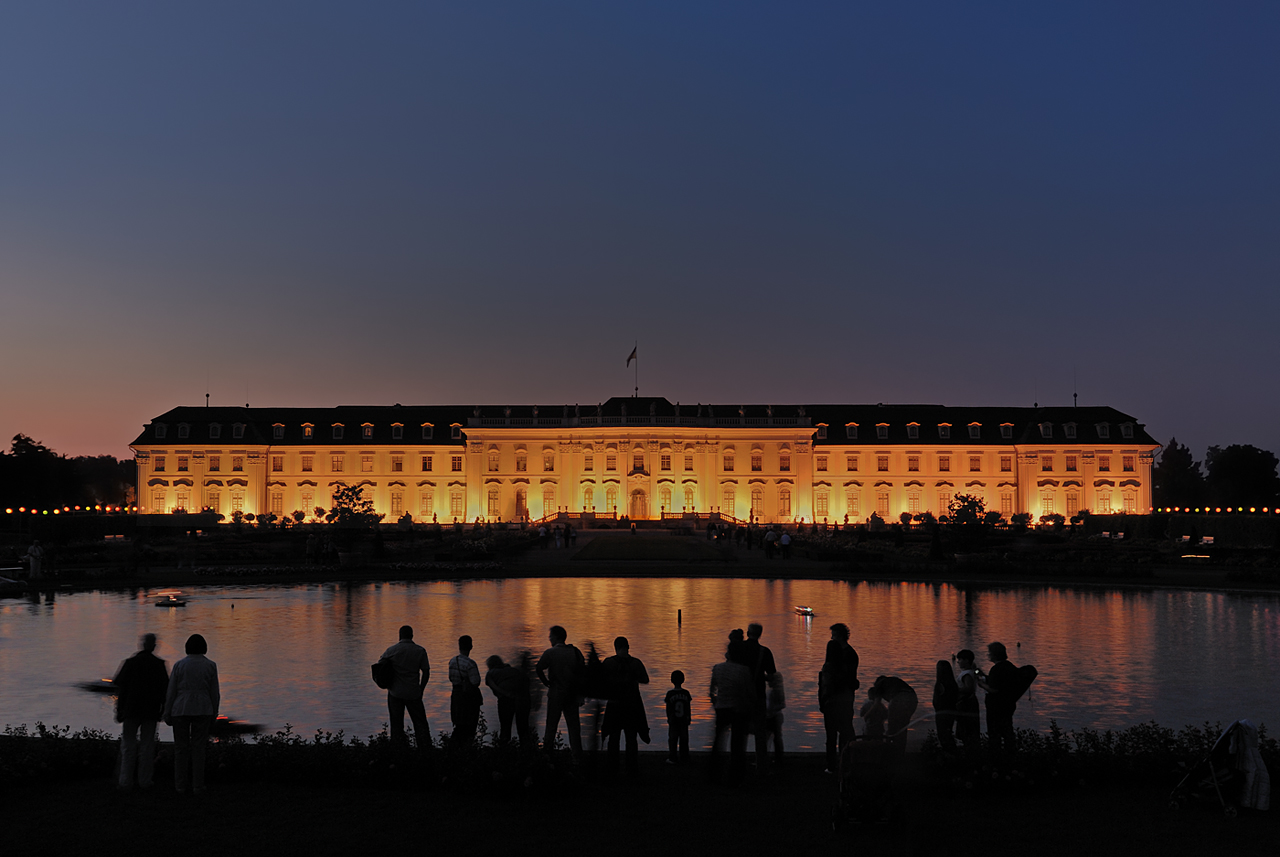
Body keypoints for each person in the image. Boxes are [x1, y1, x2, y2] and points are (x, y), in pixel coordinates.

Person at [162, 634, 219, 795]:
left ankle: (180, 785)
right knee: (199, 749)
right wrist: (214, 712)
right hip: (203, 708)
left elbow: (171, 691)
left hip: (181, 708)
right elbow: (214, 692)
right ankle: (197, 785)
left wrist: (167, 711)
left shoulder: (179, 665)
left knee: (181, 748)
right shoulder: (210, 666)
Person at [113, 633, 169, 790]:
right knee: (147, 746)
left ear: (141, 645)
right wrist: (163, 709)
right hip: (151, 711)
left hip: (131, 710)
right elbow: (165, 691)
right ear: (154, 646)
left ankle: (125, 781)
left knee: (128, 746)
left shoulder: (130, 663)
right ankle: (145, 780)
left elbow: (121, 688)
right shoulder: (159, 665)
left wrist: (119, 709)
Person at [600, 636, 650, 776]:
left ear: (615, 647)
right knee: (631, 738)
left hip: (615, 705)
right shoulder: (636, 663)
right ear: (628, 647)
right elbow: (645, 680)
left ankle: (612, 767)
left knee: (613, 737)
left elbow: (600, 681)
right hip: (632, 704)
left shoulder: (609, 663)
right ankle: (631, 768)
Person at [536, 625, 585, 759]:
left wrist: (545, 682)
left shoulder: (550, 653)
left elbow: (539, 668)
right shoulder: (575, 652)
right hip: (572, 695)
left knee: (551, 725)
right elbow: (582, 675)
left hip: (556, 694)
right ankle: (577, 756)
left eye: (550, 636)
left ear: (556, 637)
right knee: (574, 728)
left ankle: (547, 754)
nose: (549, 638)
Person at [709, 634, 753, 782]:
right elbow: (749, 692)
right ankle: (736, 774)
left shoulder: (717, 668)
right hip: (738, 710)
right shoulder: (744, 670)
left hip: (722, 708)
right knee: (737, 744)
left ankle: (714, 771)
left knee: (718, 740)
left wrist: (716, 703)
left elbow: (712, 690)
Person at [381, 625, 431, 748]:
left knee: (396, 724)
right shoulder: (420, 651)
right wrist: (421, 689)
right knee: (420, 723)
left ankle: (398, 749)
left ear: (400, 636)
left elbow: (379, 667)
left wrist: (386, 683)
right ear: (412, 635)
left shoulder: (391, 651)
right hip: (413, 692)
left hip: (395, 693)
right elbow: (426, 672)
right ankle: (425, 749)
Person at [819, 622, 859, 773]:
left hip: (839, 699)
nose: (831, 638)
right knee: (844, 731)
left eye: (834, 635)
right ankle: (843, 762)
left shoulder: (846, 655)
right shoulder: (848, 654)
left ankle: (837, 763)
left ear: (840, 636)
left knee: (837, 733)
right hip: (845, 698)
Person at [743, 622, 777, 771]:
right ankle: (761, 763)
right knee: (760, 732)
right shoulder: (765, 652)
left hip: (741, 695)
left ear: (747, 632)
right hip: (758, 695)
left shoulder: (739, 649)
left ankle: (738, 761)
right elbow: (771, 676)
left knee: (740, 730)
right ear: (760, 634)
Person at [978, 641, 1018, 764]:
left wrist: (982, 685)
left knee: (994, 733)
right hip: (1008, 705)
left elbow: (994, 689)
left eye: (989, 653)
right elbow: (1001, 683)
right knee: (1007, 731)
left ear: (994, 655)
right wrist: (984, 675)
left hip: (996, 707)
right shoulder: (1010, 666)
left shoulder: (996, 669)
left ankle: (995, 760)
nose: (988, 655)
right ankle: (1010, 757)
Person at [485, 655, 533, 748]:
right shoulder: (514, 670)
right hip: (523, 699)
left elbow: (495, 687)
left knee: (505, 728)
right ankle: (527, 752)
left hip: (506, 700)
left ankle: (504, 752)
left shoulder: (490, 673)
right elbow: (526, 680)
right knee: (523, 729)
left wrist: (507, 694)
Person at [448, 635, 482, 747]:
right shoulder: (470, 663)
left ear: (459, 646)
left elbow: (451, 678)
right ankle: (467, 749)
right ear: (471, 646)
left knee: (458, 723)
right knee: (470, 725)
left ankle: (454, 748)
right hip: (468, 698)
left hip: (456, 695)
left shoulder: (452, 661)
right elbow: (476, 682)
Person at [872, 675, 918, 756]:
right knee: (903, 727)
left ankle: (890, 753)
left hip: (899, 698)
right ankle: (901, 752)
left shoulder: (878, 685)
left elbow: (877, 704)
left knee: (892, 728)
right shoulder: (893, 680)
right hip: (913, 697)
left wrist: (866, 715)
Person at [954, 649, 982, 759]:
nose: (958, 662)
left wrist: (955, 689)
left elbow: (969, 688)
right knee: (969, 728)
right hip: (969, 702)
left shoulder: (966, 674)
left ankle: (969, 753)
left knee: (966, 727)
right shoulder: (970, 671)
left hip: (967, 704)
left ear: (966, 660)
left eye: (960, 659)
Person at [664, 670, 693, 765]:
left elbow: (668, 708)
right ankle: (684, 757)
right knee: (684, 739)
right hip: (684, 720)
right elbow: (688, 707)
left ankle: (673, 757)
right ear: (683, 680)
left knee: (673, 739)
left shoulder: (670, 694)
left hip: (674, 720)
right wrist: (689, 717)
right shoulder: (686, 693)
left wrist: (668, 718)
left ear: (671, 680)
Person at [933, 659, 959, 753]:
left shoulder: (940, 684)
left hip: (942, 712)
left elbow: (938, 699)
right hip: (951, 711)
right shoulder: (953, 683)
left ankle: (950, 755)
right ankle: (952, 754)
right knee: (948, 733)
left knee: (943, 735)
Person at [763, 671, 786, 765]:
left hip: (774, 717)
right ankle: (777, 759)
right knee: (774, 739)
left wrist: (770, 711)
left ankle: (776, 759)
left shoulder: (776, 691)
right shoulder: (775, 690)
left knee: (773, 739)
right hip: (774, 716)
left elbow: (782, 705)